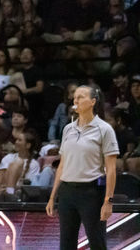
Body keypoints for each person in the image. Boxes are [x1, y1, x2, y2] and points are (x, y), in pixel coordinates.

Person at [46, 85, 119, 250]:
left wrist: (109, 201)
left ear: (93, 102)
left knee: (97, 244)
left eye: (81, 97)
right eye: (75, 96)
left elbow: (111, 169)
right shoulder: (67, 129)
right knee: (66, 244)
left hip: (91, 193)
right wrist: (52, 197)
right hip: (67, 193)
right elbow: (62, 165)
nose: (75, 100)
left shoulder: (105, 130)